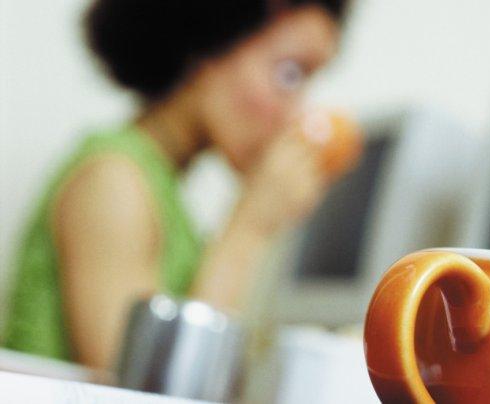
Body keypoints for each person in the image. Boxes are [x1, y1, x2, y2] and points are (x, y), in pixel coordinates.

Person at [4, 0, 350, 370]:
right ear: (208, 47)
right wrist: (250, 228)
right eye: (289, 75)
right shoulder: (113, 180)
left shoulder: (163, 190)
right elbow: (145, 389)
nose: (295, 114)